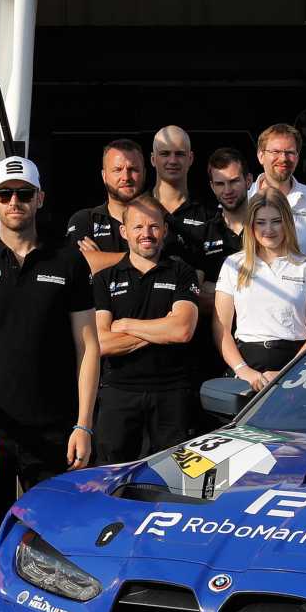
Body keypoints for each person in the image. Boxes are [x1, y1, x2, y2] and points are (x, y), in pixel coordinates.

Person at [0, 157, 98, 486]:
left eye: (24, 194)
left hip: (56, 429)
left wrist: (83, 425)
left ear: (40, 198)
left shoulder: (68, 261)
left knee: (51, 532)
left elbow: (89, 347)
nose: (14, 202)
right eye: (5, 194)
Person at [90, 194, 204, 463]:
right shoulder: (105, 279)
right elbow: (102, 343)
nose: (146, 234)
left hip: (172, 395)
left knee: (173, 481)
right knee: (112, 479)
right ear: (124, 231)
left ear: (164, 230)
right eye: (138, 227)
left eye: (153, 226)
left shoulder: (182, 272)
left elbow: (182, 331)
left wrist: (127, 325)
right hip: (118, 394)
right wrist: (161, 330)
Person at [214, 190, 306, 390]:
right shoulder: (233, 264)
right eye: (261, 222)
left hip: (296, 363)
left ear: (287, 222)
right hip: (246, 365)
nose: (268, 229)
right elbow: (221, 328)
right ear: (251, 225)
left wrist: (288, 371)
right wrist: (244, 371)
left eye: (276, 221)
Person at [64, 139, 148, 276]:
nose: (125, 177)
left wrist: (101, 258)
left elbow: (168, 265)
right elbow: (79, 265)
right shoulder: (84, 220)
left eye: (133, 169)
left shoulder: (158, 219)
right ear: (104, 176)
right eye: (117, 170)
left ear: (144, 173)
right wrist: (143, 259)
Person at [254, 123, 306, 257]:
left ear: (297, 157)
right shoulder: (245, 199)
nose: (283, 158)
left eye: (289, 152)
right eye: (275, 152)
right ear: (261, 156)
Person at [149, 125, 214, 268]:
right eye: (165, 154)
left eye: (179, 154)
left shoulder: (209, 212)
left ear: (190, 158)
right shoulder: (138, 208)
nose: (172, 160)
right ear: (153, 159)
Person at [196, 147, 253, 275]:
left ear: (248, 181)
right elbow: (197, 289)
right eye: (220, 184)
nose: (227, 191)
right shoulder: (202, 235)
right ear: (212, 187)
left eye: (234, 181)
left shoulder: (266, 229)